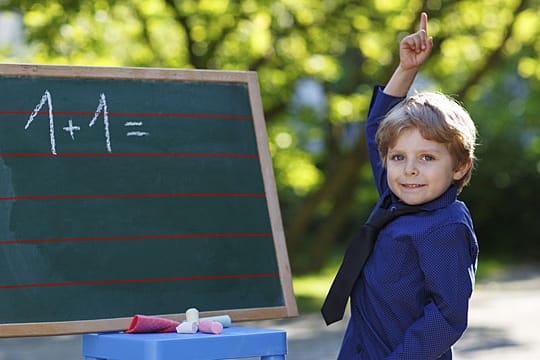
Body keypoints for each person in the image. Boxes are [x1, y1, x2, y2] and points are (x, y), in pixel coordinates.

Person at [337, 12, 479, 359]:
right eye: (399, 158)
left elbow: (448, 315)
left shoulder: (445, 226)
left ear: (460, 167)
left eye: (428, 158)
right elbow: (377, 130)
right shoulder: (394, 199)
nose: (410, 170)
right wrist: (406, 70)